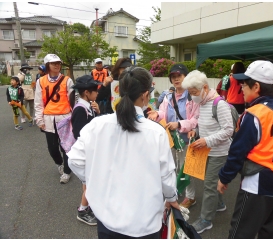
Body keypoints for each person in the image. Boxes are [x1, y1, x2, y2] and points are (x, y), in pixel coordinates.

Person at [67, 66, 179, 239]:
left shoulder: (97, 125)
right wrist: (172, 199)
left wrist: (93, 179)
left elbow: (74, 160)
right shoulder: (156, 132)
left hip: (107, 219)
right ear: (145, 95)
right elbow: (166, 177)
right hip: (145, 222)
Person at [217, 60, 273, 238]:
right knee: (269, 233)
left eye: (244, 84)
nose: (241, 88)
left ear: (256, 87)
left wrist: (224, 177)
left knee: (241, 233)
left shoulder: (254, 114)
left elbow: (237, 152)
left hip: (260, 185)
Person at [182, 70, 234, 234]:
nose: (192, 96)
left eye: (194, 92)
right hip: (207, 150)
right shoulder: (202, 102)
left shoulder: (219, 104)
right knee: (211, 182)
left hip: (219, 152)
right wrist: (196, 131)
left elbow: (228, 130)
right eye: (190, 93)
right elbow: (205, 124)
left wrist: (207, 140)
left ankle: (206, 220)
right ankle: (219, 204)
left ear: (205, 87)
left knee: (209, 186)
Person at [148, 63, 200, 209]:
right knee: (172, 167)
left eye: (179, 76)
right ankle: (175, 191)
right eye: (173, 77)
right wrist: (157, 114)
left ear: (186, 77)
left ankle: (191, 196)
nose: (176, 79)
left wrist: (179, 124)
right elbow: (164, 113)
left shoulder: (192, 97)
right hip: (171, 138)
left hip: (186, 138)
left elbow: (196, 118)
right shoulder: (168, 96)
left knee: (186, 168)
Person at [34, 53, 74, 184]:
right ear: (47, 65)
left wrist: (74, 118)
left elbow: (73, 101)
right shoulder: (41, 81)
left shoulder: (67, 80)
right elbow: (38, 102)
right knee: (52, 148)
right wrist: (39, 119)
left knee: (66, 147)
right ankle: (59, 164)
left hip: (65, 118)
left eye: (58, 63)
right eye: (53, 63)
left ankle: (67, 172)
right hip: (49, 119)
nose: (57, 65)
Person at [68, 75, 101, 226]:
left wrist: (98, 112)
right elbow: (79, 133)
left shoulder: (89, 106)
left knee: (88, 183)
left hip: (86, 155)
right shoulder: (81, 110)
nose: (97, 93)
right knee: (90, 183)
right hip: (82, 156)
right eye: (95, 90)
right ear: (87, 92)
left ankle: (88, 207)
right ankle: (83, 210)